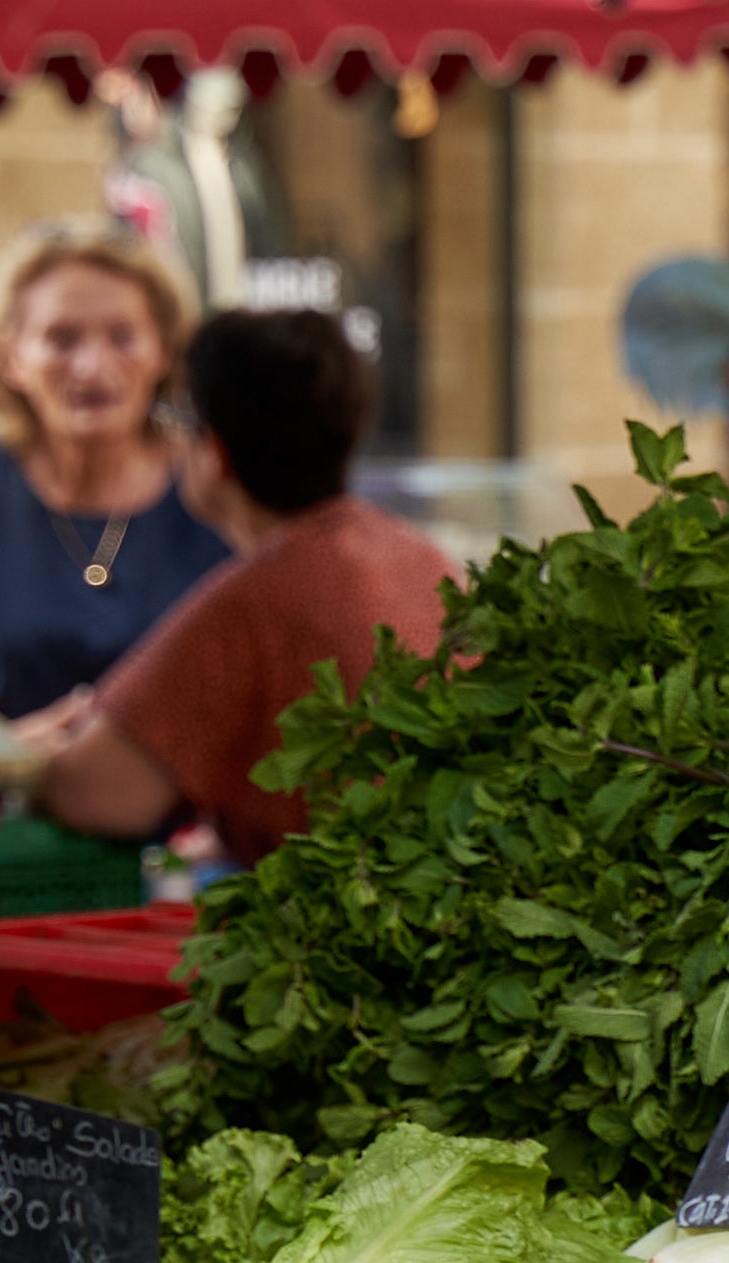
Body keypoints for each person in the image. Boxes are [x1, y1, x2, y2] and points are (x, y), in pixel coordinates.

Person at [37, 309, 454, 866]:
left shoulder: (254, 599)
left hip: (334, 930)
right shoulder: (420, 557)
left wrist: (30, 750)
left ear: (216, 453)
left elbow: (96, 795)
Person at [0, 220, 228, 724]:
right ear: (11, 358)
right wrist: (14, 755)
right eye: (62, 339)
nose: (92, 368)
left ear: (163, 351)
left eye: (122, 337)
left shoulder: (220, 485)